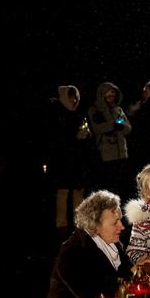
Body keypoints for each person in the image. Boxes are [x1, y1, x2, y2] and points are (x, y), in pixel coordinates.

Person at [32, 190, 133, 298]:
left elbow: (126, 276)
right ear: (95, 226)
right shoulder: (74, 252)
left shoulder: (113, 245)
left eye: (120, 220)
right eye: (115, 222)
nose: (122, 226)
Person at [45, 85, 92, 235]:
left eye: (77, 97)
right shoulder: (56, 112)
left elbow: (85, 131)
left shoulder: (78, 113)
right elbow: (56, 137)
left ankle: (78, 222)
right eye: (72, 97)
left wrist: (86, 135)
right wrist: (74, 137)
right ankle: (61, 223)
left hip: (77, 158)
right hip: (62, 158)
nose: (75, 101)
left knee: (78, 190)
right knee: (63, 190)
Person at [88, 82, 132, 198]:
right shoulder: (95, 110)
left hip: (121, 154)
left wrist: (120, 126)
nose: (111, 96)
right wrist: (113, 125)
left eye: (113, 93)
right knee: (106, 188)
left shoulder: (118, 110)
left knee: (119, 187)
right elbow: (96, 128)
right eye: (108, 93)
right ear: (102, 94)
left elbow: (128, 128)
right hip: (105, 155)